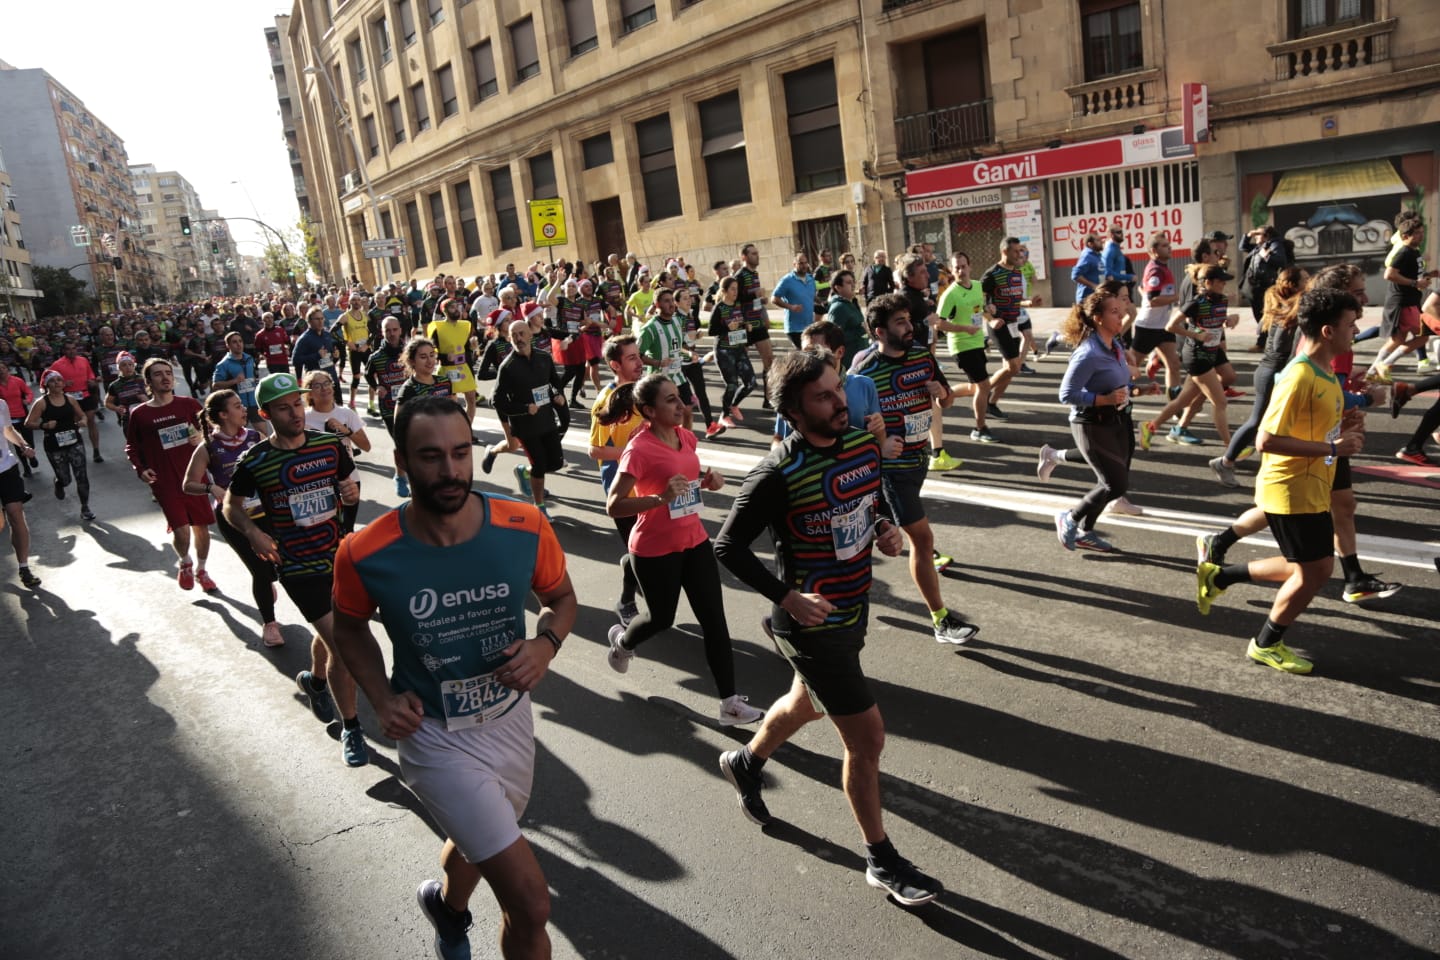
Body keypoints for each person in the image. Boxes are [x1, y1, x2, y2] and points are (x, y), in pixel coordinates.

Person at [331, 395, 576, 960]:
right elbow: (348, 630)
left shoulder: (523, 525)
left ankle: (446, 906)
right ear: (402, 461)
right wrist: (380, 696)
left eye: (461, 453)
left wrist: (546, 644)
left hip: (510, 721)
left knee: (479, 838)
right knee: (532, 902)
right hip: (434, 734)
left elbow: (560, 599)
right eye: (431, 456)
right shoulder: (365, 552)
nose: (450, 471)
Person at [713, 349, 941, 906]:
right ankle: (881, 860)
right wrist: (787, 595)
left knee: (805, 703)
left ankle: (745, 762)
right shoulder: (776, 472)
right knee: (867, 739)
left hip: (853, 607)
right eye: (824, 396)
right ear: (792, 411)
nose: (840, 401)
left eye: (839, 389)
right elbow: (728, 546)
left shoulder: (864, 444)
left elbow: (865, 504)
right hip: (808, 625)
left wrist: (884, 528)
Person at [1195, 288, 1365, 674]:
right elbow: (1265, 440)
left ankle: (1220, 575)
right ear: (1327, 331)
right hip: (1291, 489)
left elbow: (1320, 428)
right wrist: (1334, 449)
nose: (1355, 331)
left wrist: (1348, 428)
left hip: (1311, 487)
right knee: (1316, 571)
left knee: (1306, 567)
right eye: (1350, 325)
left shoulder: (1325, 373)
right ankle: (1266, 643)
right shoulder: (1299, 375)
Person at [601, 374, 767, 726]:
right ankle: (623, 643)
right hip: (654, 548)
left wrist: (708, 479)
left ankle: (729, 704)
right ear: (649, 410)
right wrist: (660, 498)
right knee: (662, 618)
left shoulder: (686, 437)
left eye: (679, 397)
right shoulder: (639, 449)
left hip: (694, 541)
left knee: (715, 621)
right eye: (671, 400)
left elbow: (686, 477)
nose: (681, 404)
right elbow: (614, 505)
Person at [224, 372, 368, 766]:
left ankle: (316, 681)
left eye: (298, 404)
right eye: (284, 407)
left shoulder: (328, 446)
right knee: (343, 642)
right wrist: (253, 533)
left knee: (334, 632)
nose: (295, 413)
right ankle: (352, 729)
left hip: (337, 556)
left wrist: (351, 494)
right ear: (265, 413)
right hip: (298, 566)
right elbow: (231, 507)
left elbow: (347, 488)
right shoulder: (256, 460)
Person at [851, 294, 978, 643]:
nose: (910, 327)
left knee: (865, 539)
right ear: (880, 331)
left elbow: (947, 398)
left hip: (918, 460)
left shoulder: (922, 356)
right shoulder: (864, 371)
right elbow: (844, 426)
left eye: (910, 319)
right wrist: (878, 444)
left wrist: (942, 394)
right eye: (901, 322)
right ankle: (941, 620)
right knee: (921, 538)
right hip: (888, 469)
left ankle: (806, 607)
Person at [1053, 289, 1158, 552]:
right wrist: (1104, 399)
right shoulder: (1088, 352)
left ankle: (1085, 532)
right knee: (1115, 484)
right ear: (1098, 318)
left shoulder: (1115, 345)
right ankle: (1071, 517)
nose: (1122, 314)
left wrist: (1140, 390)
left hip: (1119, 420)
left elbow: (1118, 387)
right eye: (1114, 311)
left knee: (1110, 482)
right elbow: (1066, 394)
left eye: (1121, 310)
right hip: (1091, 423)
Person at [182, 388, 280, 647]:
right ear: (224, 415)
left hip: (267, 512)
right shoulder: (209, 448)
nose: (243, 409)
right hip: (234, 519)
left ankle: (269, 583)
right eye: (237, 406)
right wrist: (211, 488)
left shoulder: (255, 437)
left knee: (278, 567)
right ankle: (270, 624)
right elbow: (188, 484)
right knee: (260, 570)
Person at [1209, 267, 1307, 485]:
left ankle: (1278, 467)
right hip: (1273, 373)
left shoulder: (1282, 309)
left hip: (1271, 371)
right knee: (1257, 421)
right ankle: (1225, 462)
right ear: (1293, 286)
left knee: (1277, 423)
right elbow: (1286, 350)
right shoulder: (1288, 314)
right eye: (1305, 279)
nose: (1309, 282)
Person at [124, 357, 215, 587]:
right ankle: (185, 562)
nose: (165, 377)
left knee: (201, 528)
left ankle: (202, 571)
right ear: (148, 381)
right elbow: (132, 446)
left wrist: (202, 437)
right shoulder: (140, 414)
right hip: (164, 481)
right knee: (182, 531)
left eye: (168, 373)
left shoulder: (189, 404)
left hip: (193, 477)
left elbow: (212, 430)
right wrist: (140, 469)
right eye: (158, 374)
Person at [1137, 265, 1237, 449]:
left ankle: (1151, 426)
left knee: (1184, 400)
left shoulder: (1222, 300)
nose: (1224, 284)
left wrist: (1231, 320)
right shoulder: (1196, 303)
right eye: (1220, 281)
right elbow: (1170, 326)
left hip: (1212, 352)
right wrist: (1197, 335)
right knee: (1220, 402)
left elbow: (1220, 319)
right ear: (1208, 283)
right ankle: (1231, 448)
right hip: (1197, 355)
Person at [589, 334, 646, 627]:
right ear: (615, 364)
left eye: (639, 355)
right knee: (638, 551)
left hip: (651, 487)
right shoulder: (608, 400)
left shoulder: (643, 392)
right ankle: (626, 600)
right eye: (632, 358)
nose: (640, 362)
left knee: (651, 549)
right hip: (623, 493)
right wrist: (634, 452)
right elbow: (595, 450)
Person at [493, 320, 565, 515]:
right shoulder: (508, 367)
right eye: (514, 335)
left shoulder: (544, 357)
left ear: (530, 335)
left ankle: (524, 471)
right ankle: (539, 505)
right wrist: (524, 408)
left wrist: (557, 395)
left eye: (522, 333)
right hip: (525, 425)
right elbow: (497, 401)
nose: (519, 338)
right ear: (509, 338)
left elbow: (555, 382)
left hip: (546, 419)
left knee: (556, 463)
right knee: (540, 465)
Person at [935, 251, 995, 444]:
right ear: (952, 271)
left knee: (975, 387)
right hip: (961, 345)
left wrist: (991, 317)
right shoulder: (950, 294)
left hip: (977, 341)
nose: (960, 270)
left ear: (969, 267)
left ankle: (946, 394)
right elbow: (938, 324)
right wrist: (964, 329)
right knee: (984, 386)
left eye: (963, 266)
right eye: (956, 267)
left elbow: (979, 309)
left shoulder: (977, 286)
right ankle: (979, 428)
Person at [302, 369, 371, 534]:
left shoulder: (346, 414)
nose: (324, 388)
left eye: (326, 383)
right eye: (317, 386)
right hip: (319, 482)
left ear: (333, 387)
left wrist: (345, 430)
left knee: (347, 528)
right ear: (309, 393)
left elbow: (366, 446)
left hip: (349, 478)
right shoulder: (304, 419)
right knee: (327, 529)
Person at [1370, 214, 1437, 381]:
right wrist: (1415, 283)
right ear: (1405, 236)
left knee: (1401, 339)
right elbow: (1389, 274)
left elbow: (1411, 272)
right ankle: (1380, 366)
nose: (1421, 236)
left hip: (1410, 302)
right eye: (1417, 233)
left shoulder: (1414, 251)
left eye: (1422, 232)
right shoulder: (1404, 252)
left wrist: (1429, 275)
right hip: (1402, 302)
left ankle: (1374, 371)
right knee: (1418, 337)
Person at [27, 371, 96, 522]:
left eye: (60, 380)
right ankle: (59, 483)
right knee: (65, 479)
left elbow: (82, 415)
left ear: (64, 383)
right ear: (46, 385)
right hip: (54, 446)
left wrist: (83, 420)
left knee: (82, 476)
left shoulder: (70, 399)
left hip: (75, 442)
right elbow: (28, 423)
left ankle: (85, 508)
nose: (57, 383)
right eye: (53, 381)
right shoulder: (41, 403)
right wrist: (44, 425)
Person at [636, 288, 696, 432]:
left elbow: (680, 343)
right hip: (659, 380)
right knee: (662, 419)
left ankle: (686, 445)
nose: (671, 304)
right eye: (666, 301)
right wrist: (658, 363)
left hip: (678, 375)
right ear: (657, 305)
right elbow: (638, 354)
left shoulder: (676, 321)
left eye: (672, 301)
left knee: (687, 411)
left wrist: (689, 352)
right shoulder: (650, 328)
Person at [365, 316, 412, 495]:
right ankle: (400, 478)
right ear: (382, 333)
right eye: (387, 331)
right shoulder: (376, 357)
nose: (391, 334)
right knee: (400, 443)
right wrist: (377, 386)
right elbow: (368, 375)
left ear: (400, 330)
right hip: (389, 407)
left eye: (394, 330)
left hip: (411, 405)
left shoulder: (409, 352)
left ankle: (415, 475)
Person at [708, 277, 756, 429]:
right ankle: (724, 415)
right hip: (724, 350)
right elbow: (712, 330)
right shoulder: (719, 308)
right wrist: (727, 328)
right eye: (732, 289)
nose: (736, 292)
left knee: (751, 382)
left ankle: (733, 404)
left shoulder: (738, 305)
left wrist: (746, 326)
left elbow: (739, 324)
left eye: (737, 288)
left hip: (739, 349)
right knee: (732, 385)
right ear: (724, 291)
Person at [428, 297, 479, 433]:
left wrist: (473, 347)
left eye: (457, 307)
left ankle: (467, 429)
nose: (456, 310)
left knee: (472, 399)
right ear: (444, 311)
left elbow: (467, 347)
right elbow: (430, 352)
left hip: (464, 367)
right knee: (452, 404)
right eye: (452, 308)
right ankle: (455, 431)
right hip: (447, 369)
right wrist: (445, 356)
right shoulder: (437, 328)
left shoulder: (465, 325)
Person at [46, 339, 103, 463]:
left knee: (91, 421)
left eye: (73, 348)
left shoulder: (83, 360)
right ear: (63, 350)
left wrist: (92, 381)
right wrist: (64, 384)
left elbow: (91, 375)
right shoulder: (57, 365)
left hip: (85, 395)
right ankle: (74, 450)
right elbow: (48, 382)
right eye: (68, 349)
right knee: (71, 426)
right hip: (68, 398)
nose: (71, 351)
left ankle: (96, 450)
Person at [0, 414, 40, 588]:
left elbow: (7, 430)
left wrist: (23, 445)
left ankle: (24, 568)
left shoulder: (1, 404)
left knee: (16, 515)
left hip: (7, 468)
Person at [735, 243, 774, 407]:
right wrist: (753, 296)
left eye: (757, 253)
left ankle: (768, 398)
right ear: (744, 257)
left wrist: (761, 301)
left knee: (769, 360)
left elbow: (754, 300)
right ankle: (732, 402)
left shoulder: (755, 274)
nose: (756, 256)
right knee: (739, 364)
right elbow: (735, 300)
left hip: (757, 323)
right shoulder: (739, 276)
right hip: (745, 325)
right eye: (752, 254)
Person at [211, 332, 269, 437]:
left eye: (240, 341)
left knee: (264, 434)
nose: (239, 344)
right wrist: (234, 381)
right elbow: (215, 385)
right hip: (238, 406)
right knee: (238, 436)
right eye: (234, 342)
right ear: (228, 345)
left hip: (254, 403)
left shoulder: (249, 358)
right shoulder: (223, 364)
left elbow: (253, 377)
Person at [1240, 225, 1288, 349]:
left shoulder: (1274, 245)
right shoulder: (1259, 246)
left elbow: (1280, 261)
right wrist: (1248, 236)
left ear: (1266, 236)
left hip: (1263, 286)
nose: (1256, 237)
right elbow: (1243, 247)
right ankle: (1265, 340)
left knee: (1264, 315)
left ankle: (1262, 343)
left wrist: (1265, 255)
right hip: (1253, 287)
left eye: (1258, 234)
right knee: (1259, 314)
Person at [771, 252, 818, 349]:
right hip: (794, 328)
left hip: (809, 325)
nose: (804, 266)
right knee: (806, 353)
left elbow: (811, 296)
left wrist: (820, 303)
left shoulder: (810, 279)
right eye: (801, 263)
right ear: (794, 264)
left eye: (805, 263)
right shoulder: (787, 280)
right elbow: (774, 299)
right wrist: (791, 307)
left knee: (809, 355)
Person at [0, 361, 37, 479]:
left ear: (7, 369)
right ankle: (26, 467)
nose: (1, 371)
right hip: (9, 418)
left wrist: (28, 400)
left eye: (3, 368)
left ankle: (31, 455)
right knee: (17, 444)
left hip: (23, 415)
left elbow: (28, 392)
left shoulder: (17, 381)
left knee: (29, 440)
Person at [104, 352, 149, 435]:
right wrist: (117, 408)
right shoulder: (114, 385)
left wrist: (147, 400)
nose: (128, 367)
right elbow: (107, 403)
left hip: (147, 415)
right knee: (135, 445)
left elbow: (159, 396)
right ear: (119, 367)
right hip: (128, 419)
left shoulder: (144, 379)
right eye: (124, 365)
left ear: (134, 365)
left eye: (130, 364)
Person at [1071, 232, 1105, 304]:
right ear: (1090, 244)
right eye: (1098, 240)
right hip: (1086, 299)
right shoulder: (1087, 256)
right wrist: (1093, 286)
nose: (1101, 242)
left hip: (1097, 297)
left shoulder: (1098, 255)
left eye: (1100, 240)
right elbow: (1075, 275)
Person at [254, 311, 292, 376]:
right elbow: (258, 349)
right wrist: (262, 356)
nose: (270, 319)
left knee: (286, 378)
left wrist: (287, 348)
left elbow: (287, 342)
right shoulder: (260, 335)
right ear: (263, 320)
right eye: (267, 318)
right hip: (272, 362)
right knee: (277, 380)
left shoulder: (280, 330)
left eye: (271, 317)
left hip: (283, 360)